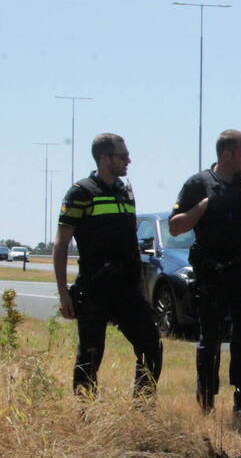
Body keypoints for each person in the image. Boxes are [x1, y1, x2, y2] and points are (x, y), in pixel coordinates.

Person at [170, 129, 241, 425]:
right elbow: (175, 227)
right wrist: (204, 206)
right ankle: (206, 402)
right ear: (227, 154)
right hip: (211, 273)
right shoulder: (197, 183)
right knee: (210, 339)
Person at [54, 133, 163, 397]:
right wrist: (63, 293)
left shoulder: (125, 191)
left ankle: (141, 409)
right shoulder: (80, 193)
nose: (129, 160)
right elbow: (61, 244)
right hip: (95, 288)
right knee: (90, 355)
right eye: (122, 156)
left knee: (151, 344)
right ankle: (85, 414)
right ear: (105, 159)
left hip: (126, 288)